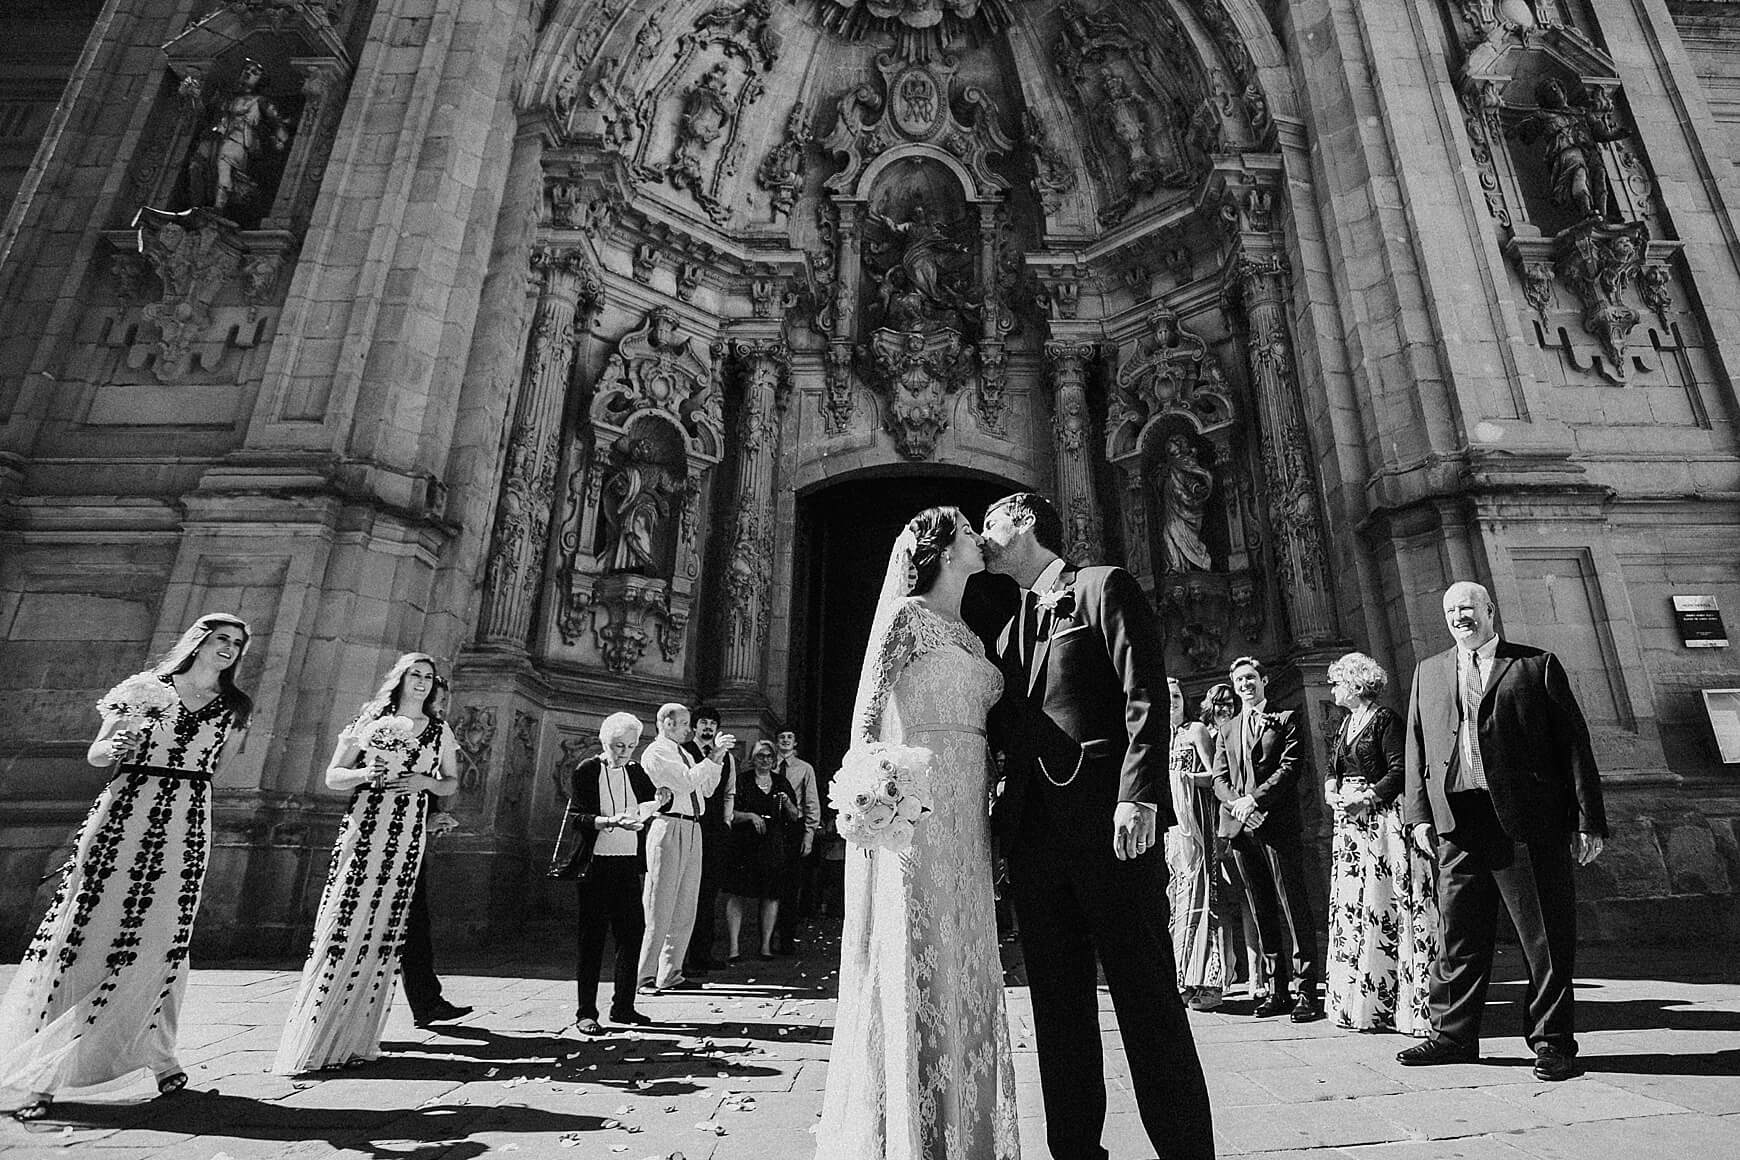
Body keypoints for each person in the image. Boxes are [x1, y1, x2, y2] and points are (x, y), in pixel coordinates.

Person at [984, 492, 1213, 1160]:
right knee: (1057, 1010)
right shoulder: (1007, 630)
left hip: (1114, 829)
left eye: (991, 523)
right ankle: (1076, 1152)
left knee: (1146, 999)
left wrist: (1139, 795)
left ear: (1024, 523)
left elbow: (1144, 691)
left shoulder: (1100, 587)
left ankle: (1188, 1152)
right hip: (1034, 839)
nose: (982, 535)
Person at [817, 507, 1019, 1159]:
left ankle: (967, 1122)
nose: (977, 537)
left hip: (971, 814)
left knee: (966, 957)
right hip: (921, 811)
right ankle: (912, 1130)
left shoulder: (974, 636)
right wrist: (882, 798)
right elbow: (869, 719)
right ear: (939, 550)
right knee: (919, 949)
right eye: (965, 530)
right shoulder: (906, 618)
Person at [0, 614, 253, 1121]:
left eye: (238, 644)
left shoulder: (236, 705)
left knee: (164, 936)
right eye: (221, 639)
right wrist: (116, 748)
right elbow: (98, 751)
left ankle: (160, 1058)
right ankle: (45, 1071)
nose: (229, 649)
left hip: (187, 818)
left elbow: (217, 769)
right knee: (89, 930)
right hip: (127, 809)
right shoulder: (145, 688)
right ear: (198, 642)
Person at [1398, 581, 1606, 1081]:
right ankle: (1453, 1035)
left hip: (1526, 821)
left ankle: (1553, 1042)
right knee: (1458, 935)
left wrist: (1588, 819)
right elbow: (1417, 749)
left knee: (1545, 937)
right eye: (1450, 610)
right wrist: (1419, 816)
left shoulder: (1535, 666)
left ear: (1490, 609)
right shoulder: (1428, 672)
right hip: (1458, 824)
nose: (1459, 616)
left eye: (1467, 607)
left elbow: (1573, 746)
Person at [274, 653, 460, 1074]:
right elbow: (333, 775)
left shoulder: (439, 731)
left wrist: (426, 782)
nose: (422, 683)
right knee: (348, 917)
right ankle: (323, 1021)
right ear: (399, 679)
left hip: (409, 834)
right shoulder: (369, 722)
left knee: (392, 925)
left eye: (429, 678)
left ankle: (362, 1030)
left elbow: (450, 781)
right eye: (415, 675)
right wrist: (365, 774)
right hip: (365, 828)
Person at [1323, 652, 1438, 1035]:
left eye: (1338, 681)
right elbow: (1333, 765)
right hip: (1352, 830)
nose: (1333, 688)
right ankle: (1364, 1002)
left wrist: (1368, 796)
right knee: (1358, 906)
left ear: (1356, 684)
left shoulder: (1384, 719)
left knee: (1382, 903)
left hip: (1381, 824)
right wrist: (1331, 789)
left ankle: (1398, 1003)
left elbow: (1400, 769)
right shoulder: (1346, 724)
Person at [1212, 655, 1321, 1023]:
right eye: (1239, 679)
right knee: (1261, 909)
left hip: (1277, 824)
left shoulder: (1286, 718)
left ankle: (1306, 990)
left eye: (1250, 678)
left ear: (1263, 680)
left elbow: (1290, 766)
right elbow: (1218, 778)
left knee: (1293, 905)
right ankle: (1277, 989)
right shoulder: (1227, 729)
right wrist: (1239, 807)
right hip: (1243, 829)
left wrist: (1254, 801)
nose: (1245, 684)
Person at [570, 712, 658, 1036]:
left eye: (630, 746)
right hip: (596, 864)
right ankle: (586, 1012)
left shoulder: (636, 771)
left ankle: (623, 1006)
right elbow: (578, 817)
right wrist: (609, 822)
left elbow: (652, 803)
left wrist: (650, 810)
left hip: (627, 863)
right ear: (605, 742)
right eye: (618, 745)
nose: (624, 752)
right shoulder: (588, 770)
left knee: (632, 932)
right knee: (591, 938)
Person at [637, 703, 733, 992]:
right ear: (667, 724)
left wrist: (716, 761)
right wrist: (713, 757)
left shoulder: (686, 753)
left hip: (693, 826)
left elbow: (707, 789)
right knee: (660, 904)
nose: (690, 729)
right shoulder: (657, 752)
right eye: (684, 723)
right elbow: (684, 781)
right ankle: (644, 975)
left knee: (685, 905)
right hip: (669, 825)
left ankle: (671, 972)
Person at [399, 674, 472, 1031]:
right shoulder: (386, 729)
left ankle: (427, 1001)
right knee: (410, 923)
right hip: (387, 833)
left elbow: (441, 781)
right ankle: (425, 1002)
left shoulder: (436, 732)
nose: (440, 707)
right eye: (437, 700)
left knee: (416, 923)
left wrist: (432, 816)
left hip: (415, 834)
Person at [1166, 678, 1233, 1011]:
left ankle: (1209, 981)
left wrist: (1183, 778)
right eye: (1166, 697)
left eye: (1176, 696)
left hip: (1197, 824)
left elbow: (1215, 776)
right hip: (1169, 833)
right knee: (1174, 903)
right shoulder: (1158, 737)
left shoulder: (1196, 732)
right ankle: (1181, 977)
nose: (1172, 702)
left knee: (1202, 898)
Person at [723, 740, 801, 961]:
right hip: (744, 844)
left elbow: (795, 816)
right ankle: (734, 948)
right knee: (738, 893)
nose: (765, 760)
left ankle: (765, 946)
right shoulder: (742, 781)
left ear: (774, 759)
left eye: (769, 756)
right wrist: (750, 816)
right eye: (760, 756)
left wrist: (786, 803)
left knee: (771, 895)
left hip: (772, 845)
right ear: (752, 758)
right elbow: (729, 812)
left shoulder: (781, 782)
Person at [682, 705, 736, 976]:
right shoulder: (684, 752)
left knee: (708, 894)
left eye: (712, 723)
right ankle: (683, 958)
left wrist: (726, 821)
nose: (708, 728)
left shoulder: (726, 757)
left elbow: (729, 791)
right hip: (691, 826)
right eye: (703, 722)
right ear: (694, 726)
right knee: (688, 893)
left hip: (715, 831)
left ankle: (703, 953)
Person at [771, 724, 820, 954]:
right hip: (770, 826)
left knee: (790, 886)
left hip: (793, 828)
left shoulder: (804, 768)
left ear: (796, 742)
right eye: (782, 737)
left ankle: (787, 940)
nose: (786, 741)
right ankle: (766, 940)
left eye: (790, 737)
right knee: (770, 884)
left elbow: (811, 803)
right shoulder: (767, 763)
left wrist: (808, 836)